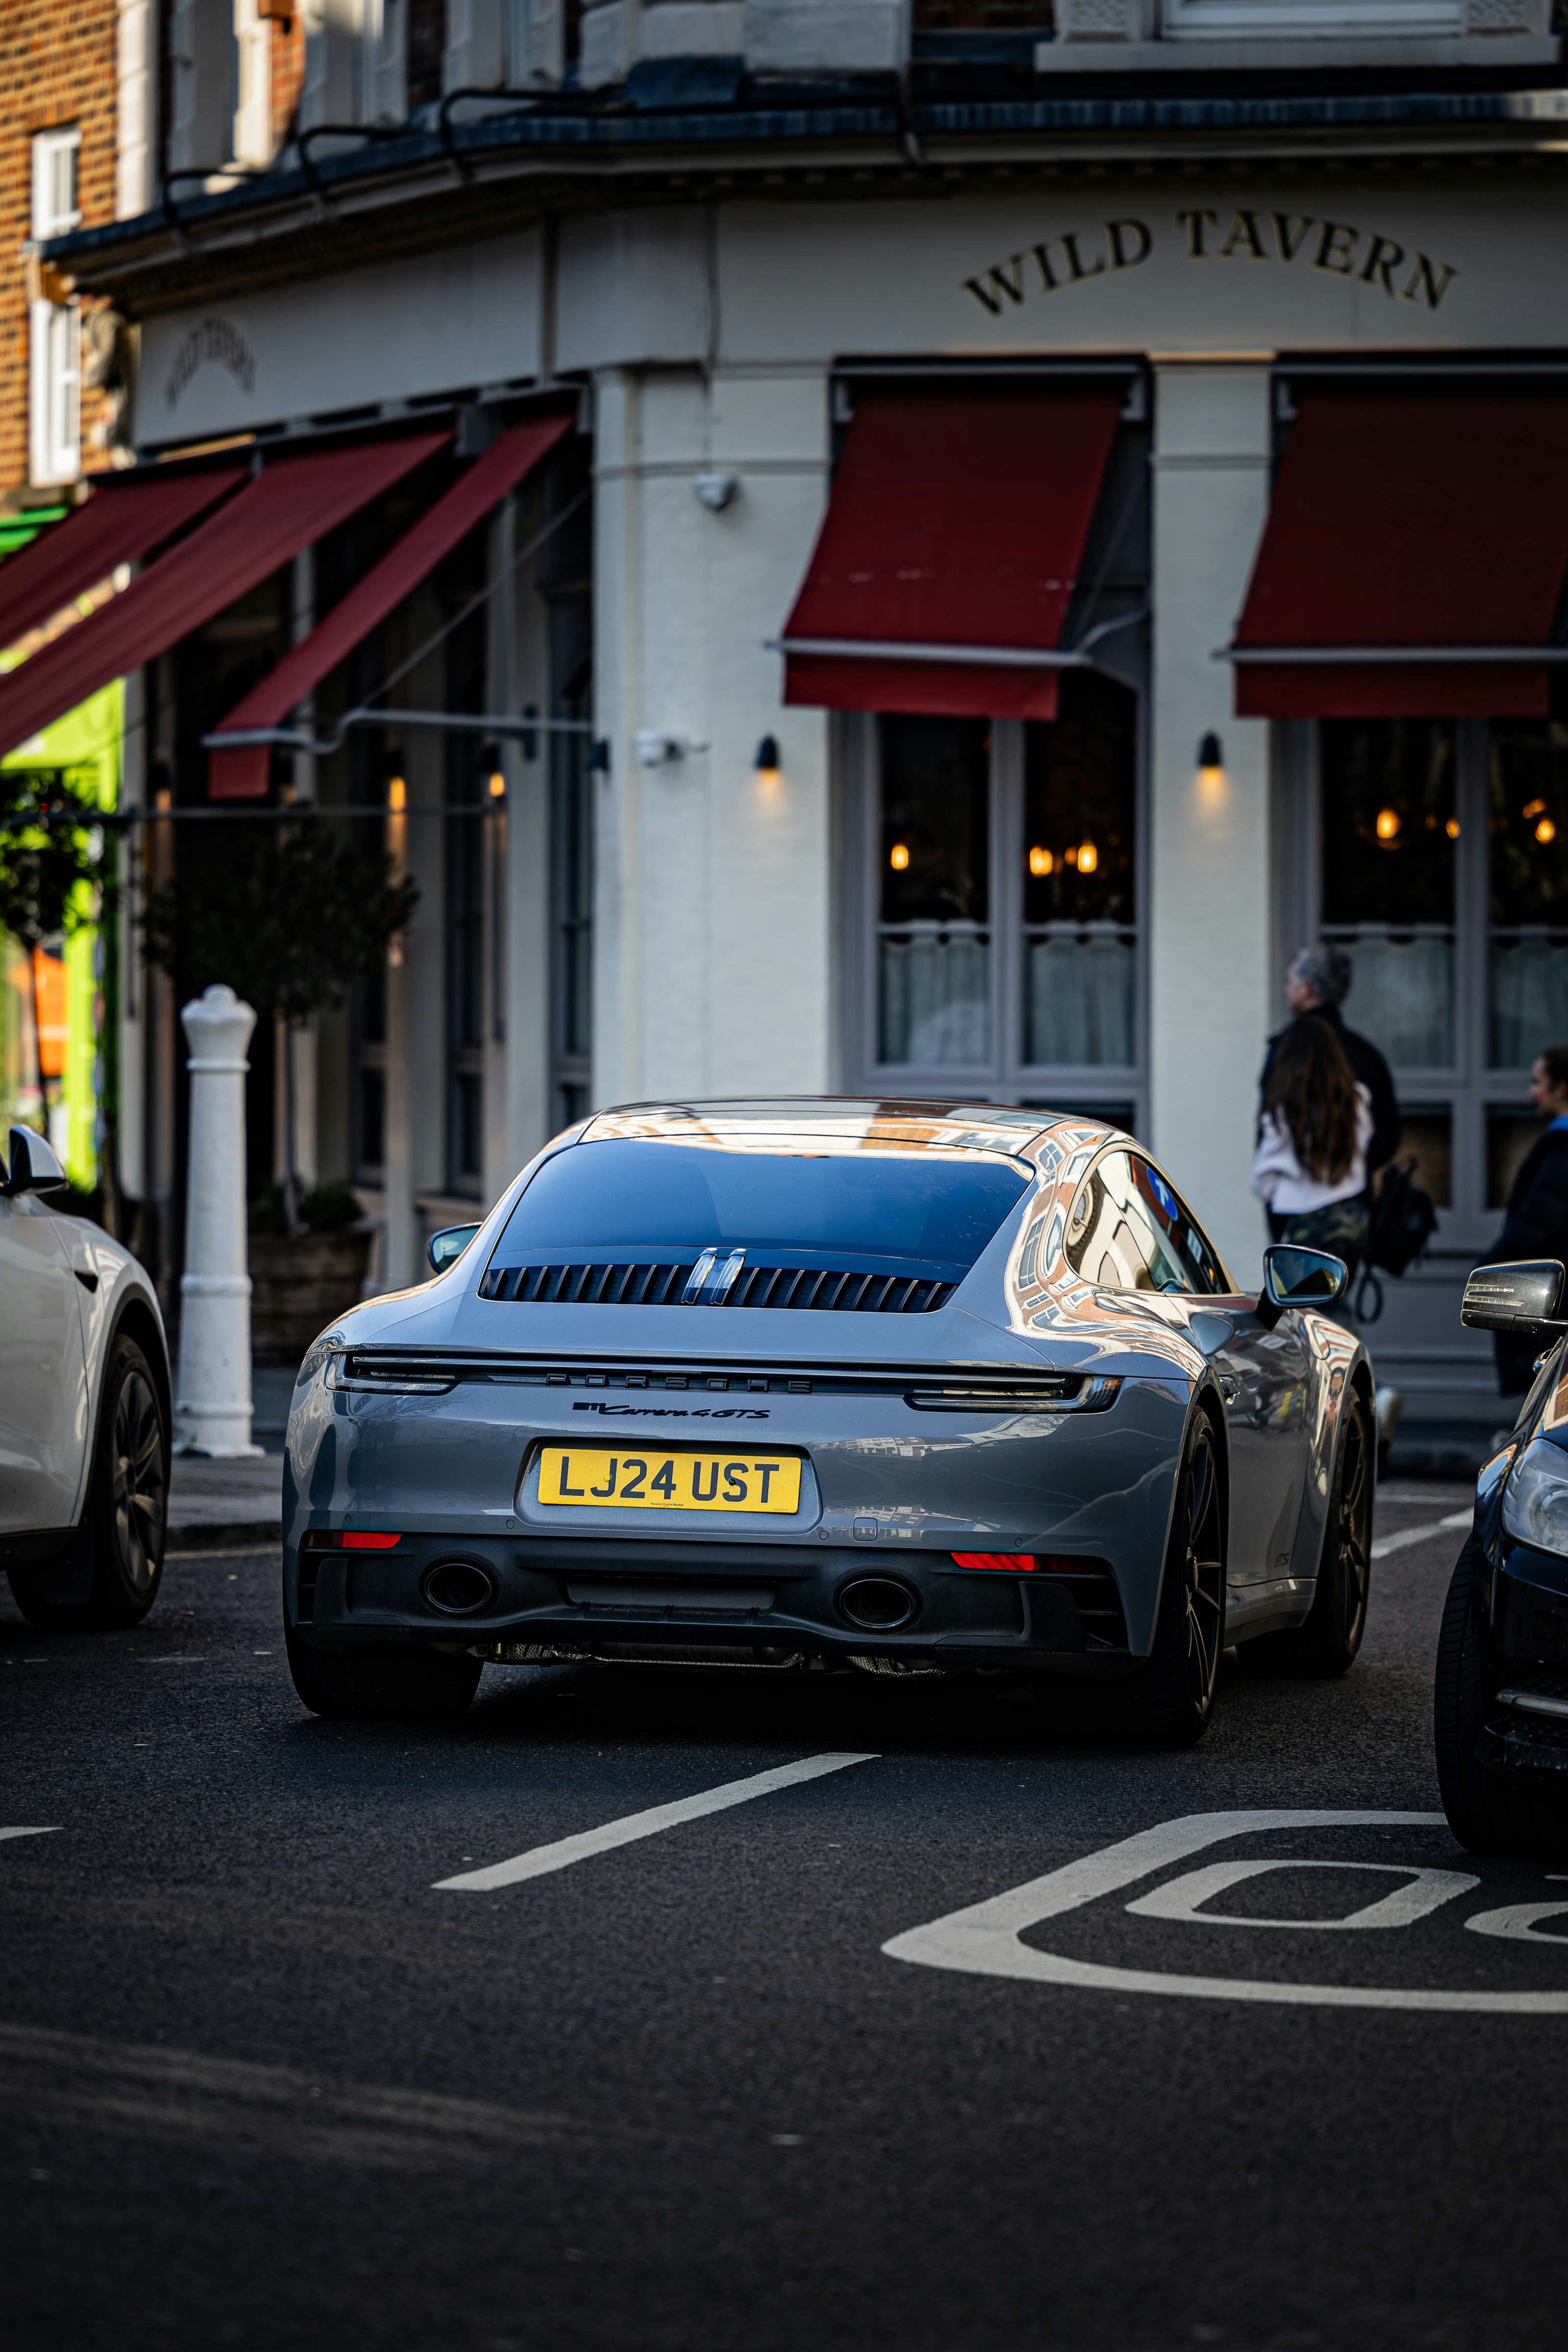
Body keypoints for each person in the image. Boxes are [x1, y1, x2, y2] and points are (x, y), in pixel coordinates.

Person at [1251, 1017, 1374, 1289]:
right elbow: (1365, 1152)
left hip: (1302, 1225)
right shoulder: (1357, 1099)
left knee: (1299, 1309)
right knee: (1336, 1300)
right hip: (1349, 1219)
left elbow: (1262, 1182)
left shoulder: (1283, 1110)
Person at [1261, 946, 1401, 1181]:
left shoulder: (1284, 1050)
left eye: (1290, 981)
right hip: (1352, 1202)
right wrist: (1349, 1173)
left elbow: (1269, 1127)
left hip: (1291, 1203)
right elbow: (1387, 1136)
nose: (1285, 990)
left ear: (1307, 989)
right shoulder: (1365, 1053)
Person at [1483, 1044, 1568, 1401]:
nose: (1530, 1092)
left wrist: (1490, 1270)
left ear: (1561, 1088)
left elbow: (1538, 1219)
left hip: (1551, 1296)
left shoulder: (1563, 1149)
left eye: (1537, 1081)